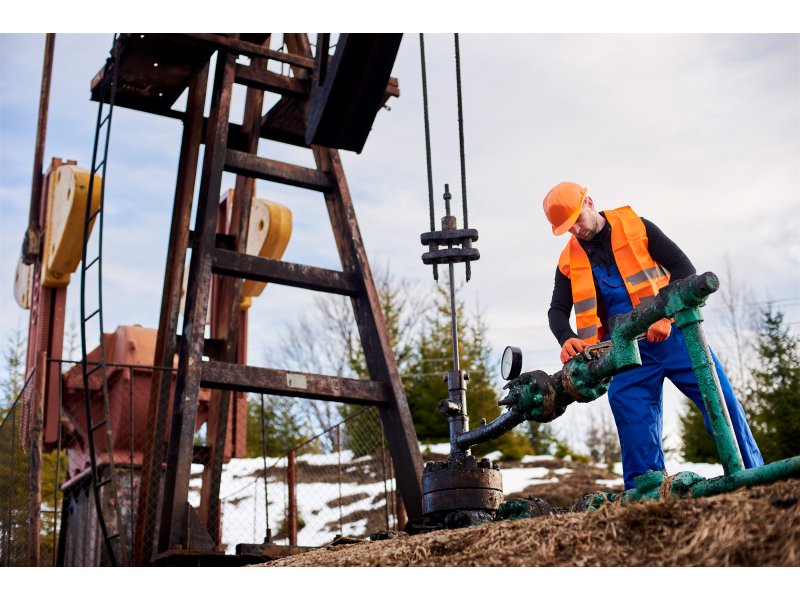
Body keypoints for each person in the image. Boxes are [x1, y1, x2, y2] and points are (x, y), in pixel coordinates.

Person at [542, 181, 763, 489]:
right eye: (568, 228)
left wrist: (665, 314)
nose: (576, 230)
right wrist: (565, 337)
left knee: (721, 401)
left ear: (589, 202)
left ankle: (755, 479)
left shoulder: (637, 226)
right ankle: (645, 497)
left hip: (677, 338)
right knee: (633, 421)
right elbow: (556, 310)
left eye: (577, 219)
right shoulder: (568, 260)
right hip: (625, 353)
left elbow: (683, 268)